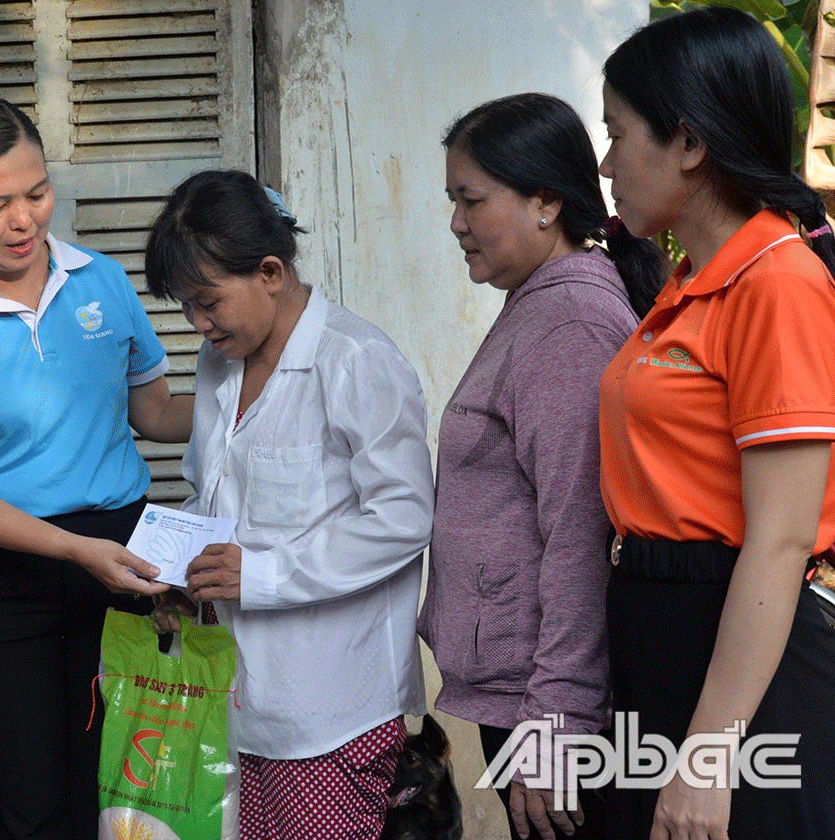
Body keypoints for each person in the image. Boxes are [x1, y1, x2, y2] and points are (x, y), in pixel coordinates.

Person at [0, 96, 191, 840]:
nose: (24, 219)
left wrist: (258, 378)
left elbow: (154, 415)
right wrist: (70, 549)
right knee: (34, 811)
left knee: (129, 800)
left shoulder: (102, 282)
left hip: (124, 560)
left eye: (37, 193)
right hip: (6, 585)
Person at [597, 7, 835, 839]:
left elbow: (779, 538)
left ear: (690, 144)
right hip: (660, 636)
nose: (604, 163)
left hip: (735, 656)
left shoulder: (778, 283)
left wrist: (709, 754)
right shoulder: (685, 284)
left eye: (618, 134)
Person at [146, 170, 435, 840]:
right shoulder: (220, 365)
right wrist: (180, 574)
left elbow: (402, 518)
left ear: (271, 272)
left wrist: (264, 574)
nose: (199, 323)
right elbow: (209, 488)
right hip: (238, 697)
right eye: (187, 307)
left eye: (209, 302)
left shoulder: (356, 361)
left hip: (327, 712)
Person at [418, 93, 664, 840]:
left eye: (472, 200)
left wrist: (555, 722)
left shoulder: (570, 321)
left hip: (545, 703)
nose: (457, 222)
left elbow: (581, 535)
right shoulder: (541, 303)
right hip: (525, 693)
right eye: (453, 201)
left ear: (546, 202)